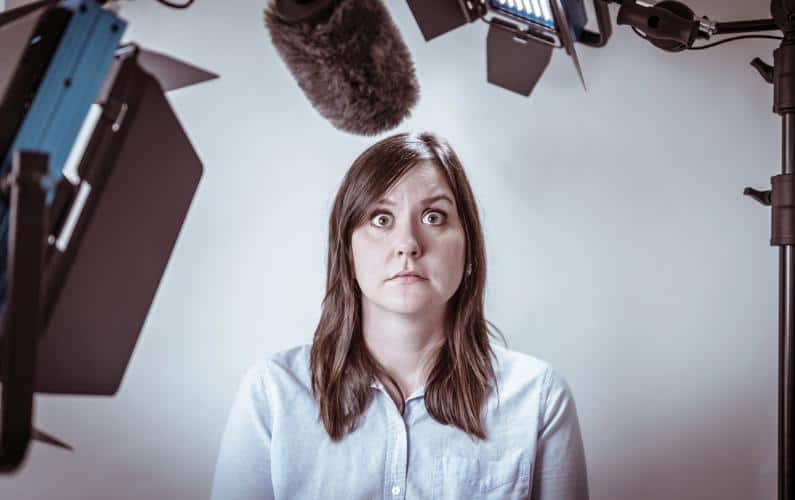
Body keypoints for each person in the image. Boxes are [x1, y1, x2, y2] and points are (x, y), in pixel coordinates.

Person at [210, 132, 588, 500]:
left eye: (434, 217)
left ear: (469, 248)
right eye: (381, 219)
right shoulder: (271, 394)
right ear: (347, 250)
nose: (408, 244)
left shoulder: (539, 398)